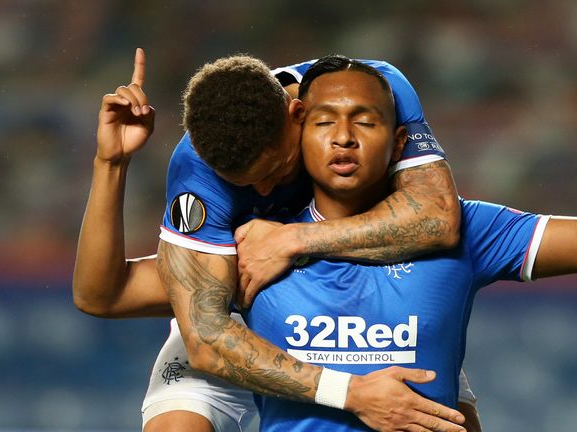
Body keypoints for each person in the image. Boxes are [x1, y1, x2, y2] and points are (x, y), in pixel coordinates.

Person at [241, 7, 577, 430]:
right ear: (299, 134)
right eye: (324, 122)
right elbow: (185, 309)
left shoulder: (467, 230)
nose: (344, 137)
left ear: (399, 144)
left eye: (364, 121)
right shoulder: (256, 241)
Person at [75, 45, 473, 432]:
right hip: (240, 318)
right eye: (245, 186)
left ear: (298, 115)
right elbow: (117, 302)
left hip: (375, 309)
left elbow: (438, 216)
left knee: (442, 420)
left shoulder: (366, 91)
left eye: (278, 171)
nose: (264, 194)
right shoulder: (198, 163)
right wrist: (111, 163)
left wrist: (294, 239)